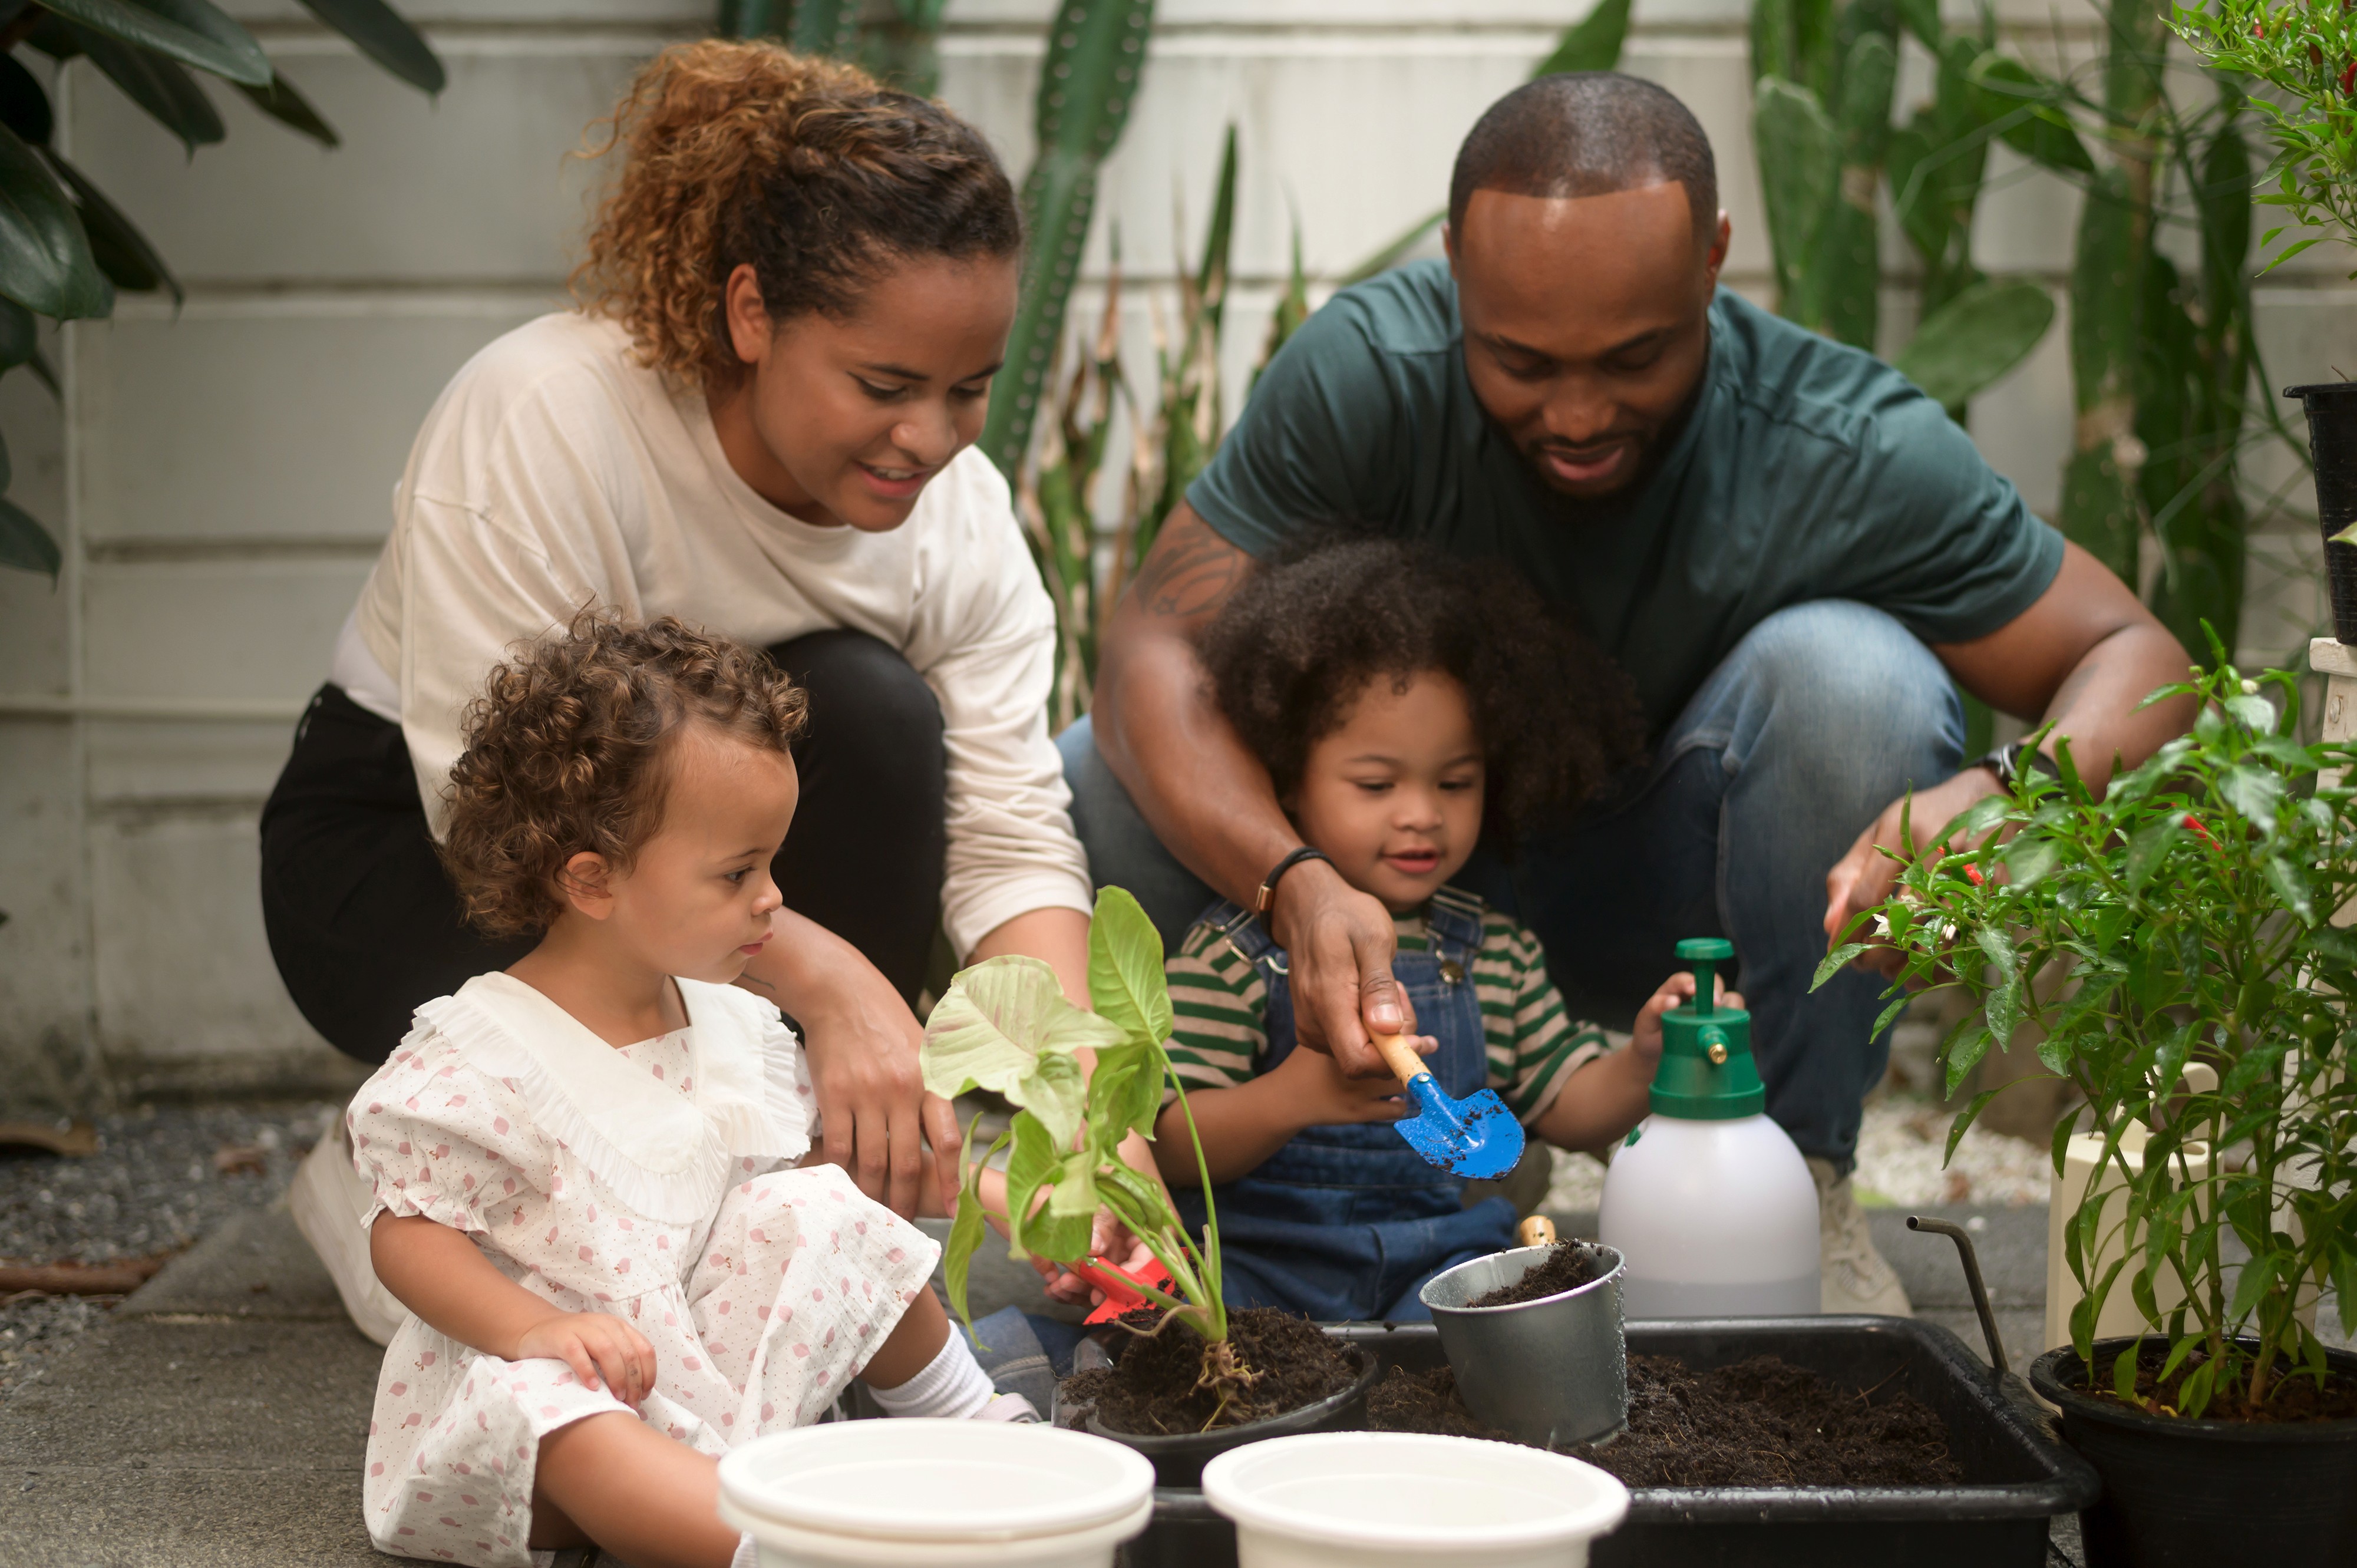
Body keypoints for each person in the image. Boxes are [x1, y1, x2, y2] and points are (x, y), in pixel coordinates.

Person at [1068, 72, 2198, 1315]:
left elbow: (2138, 660)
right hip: (1362, 911)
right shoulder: (1371, 373)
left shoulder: (1838, 440)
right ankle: (1165, 1189)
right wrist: (1289, 876)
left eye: (1634, 356)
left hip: (1678, 901)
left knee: (1855, 679)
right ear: (1454, 266)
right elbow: (1148, 656)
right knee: (1092, 769)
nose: (1577, 412)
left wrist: (1993, 798)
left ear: (1713, 260)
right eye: (1516, 358)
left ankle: (1792, 1176)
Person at [263, 42, 1096, 1259]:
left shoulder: (960, 524)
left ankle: (772, 1169)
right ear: (751, 312)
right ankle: (391, 1165)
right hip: (432, 850)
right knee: (578, 1259)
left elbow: (1006, 834)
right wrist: (834, 982)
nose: (929, 437)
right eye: (882, 382)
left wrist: (1075, 1089)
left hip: (719, 865)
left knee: (870, 710)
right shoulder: (548, 417)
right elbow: (510, 818)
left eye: (969, 388)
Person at [351, 616, 1030, 1568]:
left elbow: (806, 1180)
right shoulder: (487, 1052)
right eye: (737, 873)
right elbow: (406, 1234)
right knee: (555, 1415)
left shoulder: (729, 1019)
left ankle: (973, 1427)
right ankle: (768, 1545)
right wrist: (536, 1328)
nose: (773, 901)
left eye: (772, 865)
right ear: (592, 880)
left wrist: (1005, 1202)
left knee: (821, 1206)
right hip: (556, 1390)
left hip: (698, 1372)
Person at [1153, 540, 1735, 1319]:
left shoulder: (1494, 952)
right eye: (1377, 783)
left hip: (1438, 1258)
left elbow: (1566, 1104)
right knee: (1183, 1319)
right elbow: (1171, 1144)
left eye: (1455, 781)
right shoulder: (1233, 951)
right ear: (1290, 779)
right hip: (1265, 1265)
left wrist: (1640, 1060)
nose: (1422, 812)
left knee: (1509, 1316)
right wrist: (1293, 1096)